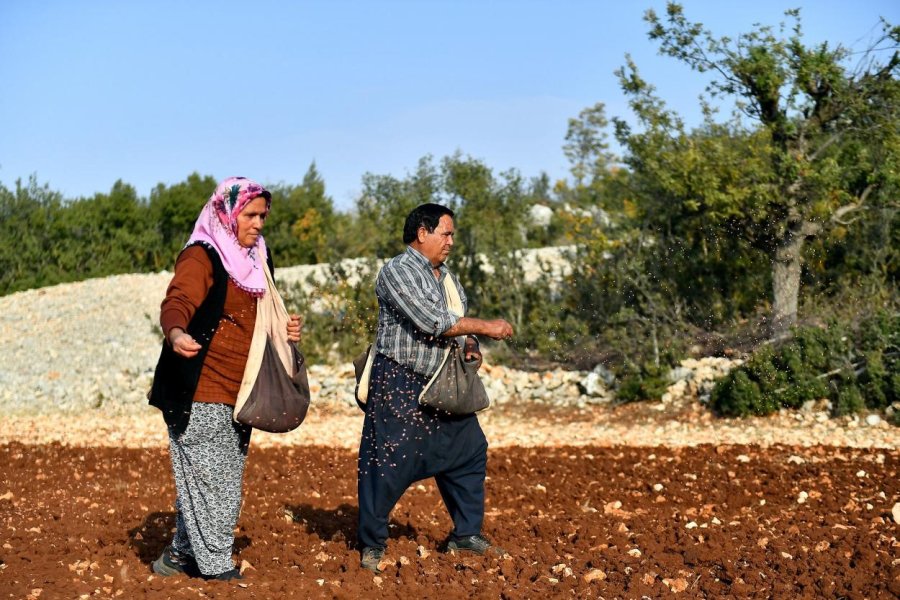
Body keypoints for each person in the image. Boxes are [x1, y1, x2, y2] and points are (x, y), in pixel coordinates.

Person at [148, 176, 302, 581]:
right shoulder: (202, 256)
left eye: (262, 216)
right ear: (226, 213)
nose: (258, 223)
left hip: (242, 392)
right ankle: (216, 568)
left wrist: (286, 329)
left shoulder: (257, 260)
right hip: (199, 390)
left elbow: (259, 317)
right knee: (217, 489)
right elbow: (178, 300)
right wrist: (177, 332)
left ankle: (179, 557)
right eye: (249, 215)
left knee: (212, 483)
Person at [357, 202, 514, 573]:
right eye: (446, 233)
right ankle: (372, 543)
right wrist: (487, 327)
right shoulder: (397, 271)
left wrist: (472, 344)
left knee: (469, 451)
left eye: (453, 234)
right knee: (388, 465)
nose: (451, 241)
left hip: (442, 380)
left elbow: (458, 327)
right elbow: (433, 321)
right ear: (422, 233)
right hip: (400, 382)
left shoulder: (447, 277)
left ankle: (465, 535)